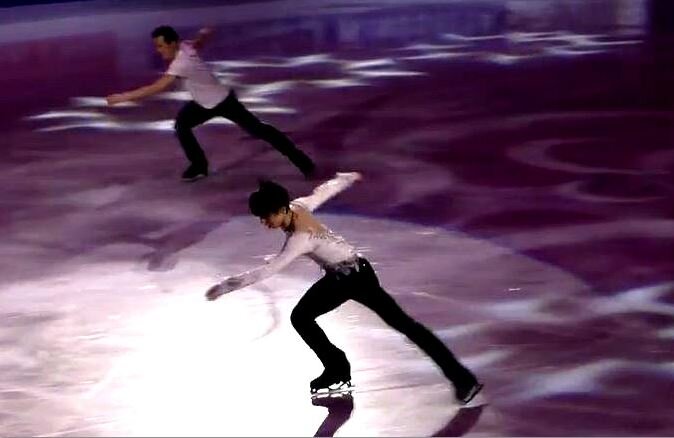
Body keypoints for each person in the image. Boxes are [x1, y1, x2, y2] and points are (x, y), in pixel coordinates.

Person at [205, 172, 483, 403]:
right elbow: (322, 192)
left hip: (352, 279)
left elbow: (269, 270)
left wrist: (225, 286)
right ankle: (338, 368)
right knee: (303, 317)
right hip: (349, 273)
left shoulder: (300, 238)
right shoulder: (298, 207)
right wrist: (344, 179)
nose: (264, 223)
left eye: (266, 217)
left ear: (280, 210)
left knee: (401, 325)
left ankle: (462, 379)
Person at [106, 25, 315, 181]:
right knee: (182, 125)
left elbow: (157, 87)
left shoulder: (181, 62)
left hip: (223, 101)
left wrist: (122, 98)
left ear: (172, 43)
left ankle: (304, 163)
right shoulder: (185, 47)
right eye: (156, 46)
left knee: (259, 130)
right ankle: (199, 166)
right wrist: (205, 34)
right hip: (202, 103)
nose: (159, 50)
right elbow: (197, 44)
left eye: (161, 46)